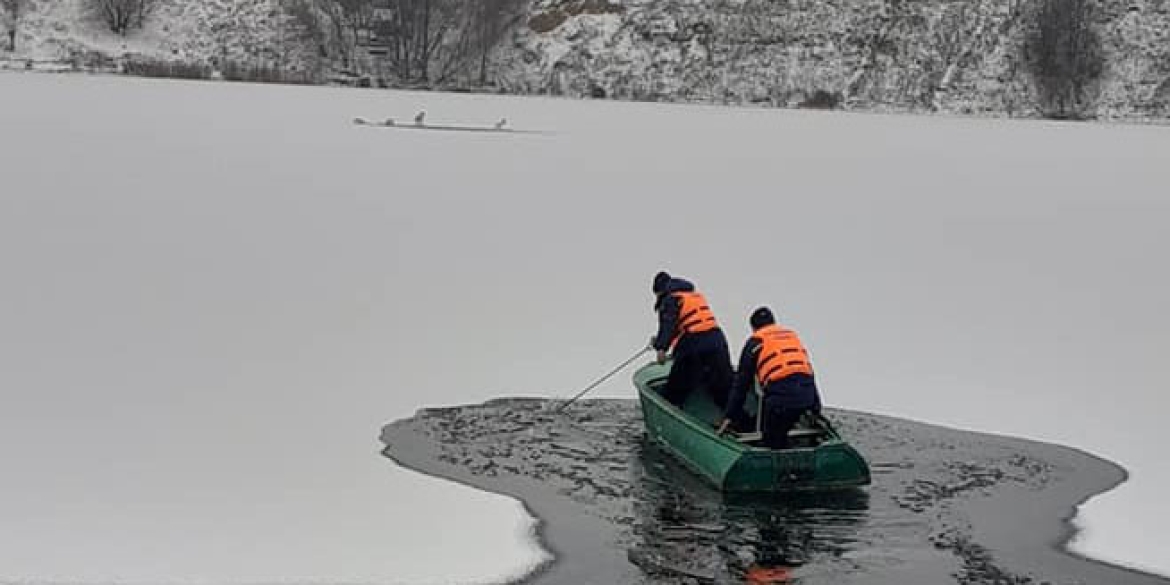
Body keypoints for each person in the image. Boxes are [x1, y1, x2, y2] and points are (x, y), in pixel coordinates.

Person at [718, 307, 822, 449]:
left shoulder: (755, 342)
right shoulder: (791, 337)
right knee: (786, 418)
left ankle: (775, 451)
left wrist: (729, 417)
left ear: (754, 328)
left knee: (771, 439)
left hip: (780, 401)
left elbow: (740, 386)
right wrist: (816, 408)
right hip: (807, 396)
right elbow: (807, 371)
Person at [651, 271, 733, 410]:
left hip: (694, 343)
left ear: (660, 291)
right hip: (717, 340)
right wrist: (659, 341)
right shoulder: (693, 296)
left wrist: (661, 348)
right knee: (723, 387)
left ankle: (672, 416)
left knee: (674, 391)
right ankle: (739, 423)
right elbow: (686, 323)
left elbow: (668, 325)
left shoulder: (670, 299)